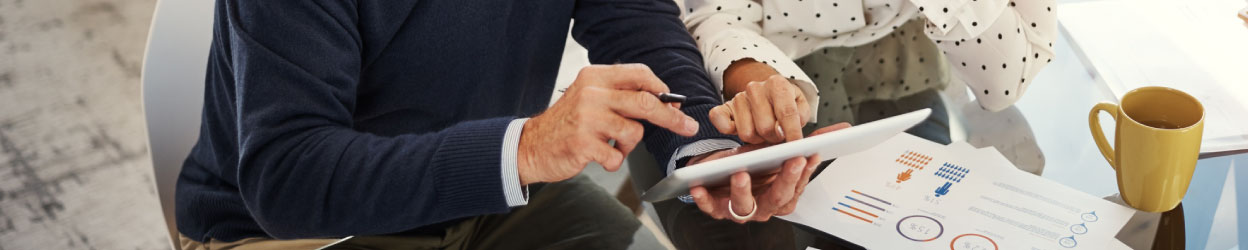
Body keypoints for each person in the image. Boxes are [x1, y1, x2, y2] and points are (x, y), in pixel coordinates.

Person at [172, 0, 823, 249]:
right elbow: (288, 181)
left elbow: (635, 18)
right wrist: (530, 147)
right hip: (304, 234)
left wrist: (704, 149)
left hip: (493, 190)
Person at [658, 0, 1060, 249]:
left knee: (935, 222)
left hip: (905, 69)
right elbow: (708, 12)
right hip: (756, 70)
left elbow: (1005, 82)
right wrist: (755, 77)